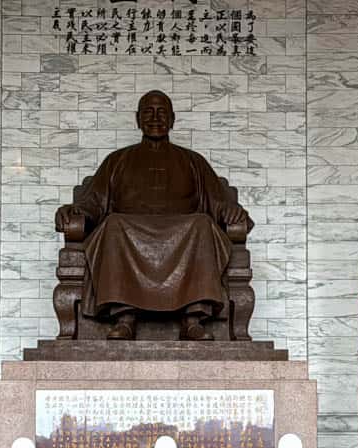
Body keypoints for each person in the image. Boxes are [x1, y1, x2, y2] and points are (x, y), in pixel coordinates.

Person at [54, 90, 253, 340]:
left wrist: (233, 211)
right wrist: (74, 211)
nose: (155, 118)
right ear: (138, 119)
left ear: (172, 119)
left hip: (185, 233)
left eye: (162, 113)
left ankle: (193, 318)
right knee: (113, 224)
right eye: (148, 112)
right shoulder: (118, 160)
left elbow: (217, 203)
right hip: (128, 232)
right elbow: (94, 202)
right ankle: (124, 316)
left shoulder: (193, 161)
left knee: (203, 223)